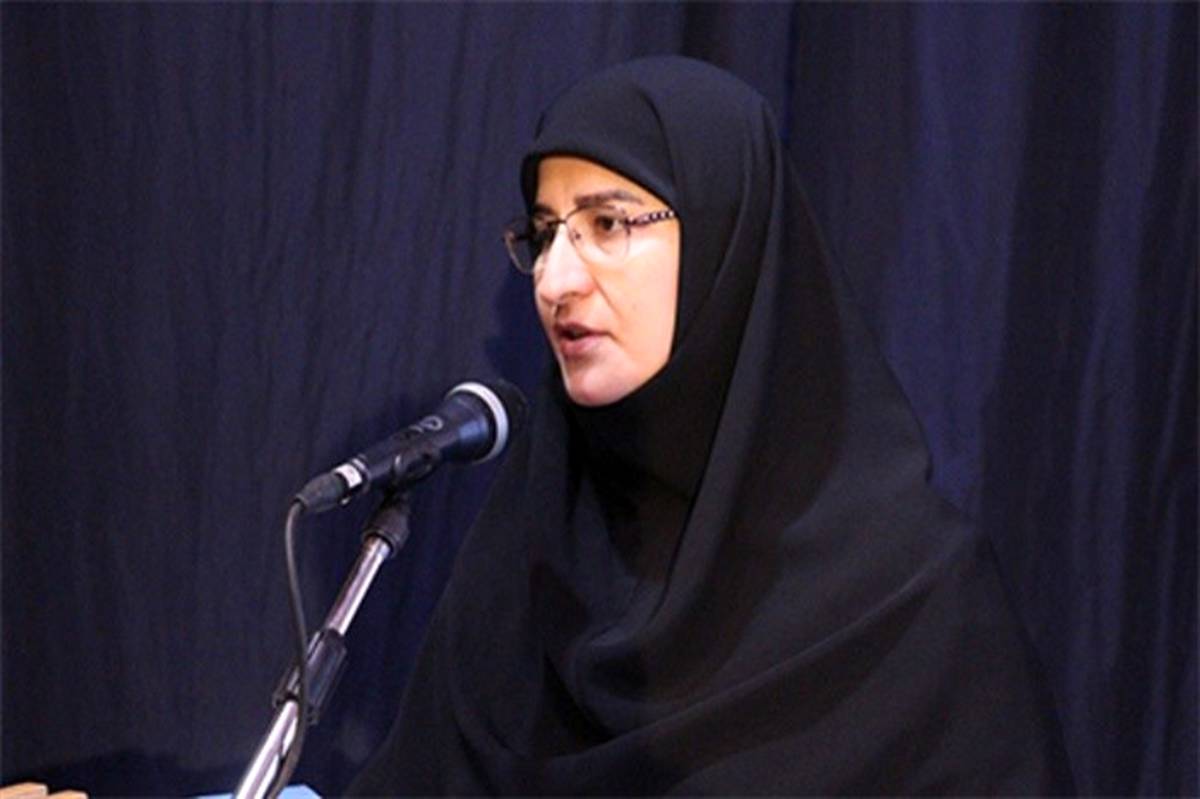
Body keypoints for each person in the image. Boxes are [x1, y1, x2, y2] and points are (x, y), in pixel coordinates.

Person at [352, 56, 1073, 795]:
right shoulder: (526, 555)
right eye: (544, 234)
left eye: (606, 223)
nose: (555, 280)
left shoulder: (916, 602)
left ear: (725, 240)